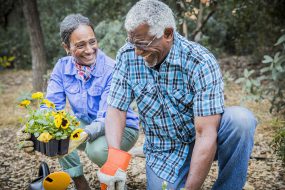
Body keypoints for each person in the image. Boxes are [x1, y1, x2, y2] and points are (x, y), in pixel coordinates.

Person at [97, 0, 258, 190]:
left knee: (241, 121)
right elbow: (116, 109)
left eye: (142, 44)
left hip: (205, 139)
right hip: (163, 151)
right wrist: (115, 159)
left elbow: (205, 133)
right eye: (132, 43)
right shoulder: (127, 56)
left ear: (168, 33)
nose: (137, 52)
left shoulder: (200, 62)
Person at [17, 14, 139, 190]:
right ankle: (80, 183)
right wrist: (33, 128)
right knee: (57, 132)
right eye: (80, 45)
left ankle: (116, 183)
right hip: (88, 123)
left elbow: (108, 117)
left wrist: (85, 133)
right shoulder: (62, 67)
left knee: (95, 150)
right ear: (67, 47)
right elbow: (50, 106)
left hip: (122, 127)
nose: (89, 49)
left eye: (92, 42)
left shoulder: (112, 70)